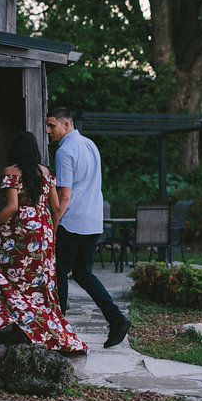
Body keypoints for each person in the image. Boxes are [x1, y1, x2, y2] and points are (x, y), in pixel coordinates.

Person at [0, 130, 87, 354]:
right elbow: (57, 207)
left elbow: (12, 208)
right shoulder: (46, 173)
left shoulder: (11, 171)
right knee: (38, 286)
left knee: (10, 277)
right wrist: (51, 230)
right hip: (43, 232)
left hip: (20, 233)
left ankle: (18, 328)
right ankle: (30, 333)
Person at [46, 107, 131, 348]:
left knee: (58, 272)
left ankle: (58, 330)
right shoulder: (90, 144)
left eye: (52, 126)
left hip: (72, 222)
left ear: (66, 125)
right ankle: (116, 319)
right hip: (93, 220)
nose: (48, 131)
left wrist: (53, 224)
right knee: (83, 273)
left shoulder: (65, 151)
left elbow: (64, 195)